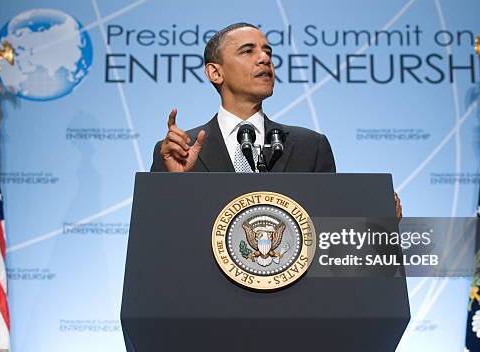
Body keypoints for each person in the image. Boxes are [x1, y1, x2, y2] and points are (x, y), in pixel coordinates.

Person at [150, 22, 402, 217]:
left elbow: (328, 237)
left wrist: (378, 226)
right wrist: (176, 185)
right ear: (215, 72)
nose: (264, 58)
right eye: (248, 51)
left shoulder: (311, 146)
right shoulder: (178, 151)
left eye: (267, 51)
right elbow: (157, 237)